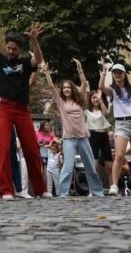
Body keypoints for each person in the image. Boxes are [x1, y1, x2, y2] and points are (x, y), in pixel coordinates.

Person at [0, 10, 50, 200]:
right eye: (9, 48)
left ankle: (41, 189)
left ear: (19, 50)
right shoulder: (0, 59)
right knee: (4, 148)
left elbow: (38, 60)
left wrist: (34, 41)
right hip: (5, 108)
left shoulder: (25, 62)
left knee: (31, 149)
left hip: (22, 109)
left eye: (14, 49)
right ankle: (6, 190)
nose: (11, 51)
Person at [38, 59, 104, 197]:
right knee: (67, 167)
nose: (66, 89)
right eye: (64, 88)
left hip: (83, 137)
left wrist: (79, 69)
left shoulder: (80, 100)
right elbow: (51, 87)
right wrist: (46, 72)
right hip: (69, 139)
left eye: (68, 87)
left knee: (90, 166)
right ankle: (63, 193)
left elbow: (84, 83)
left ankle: (97, 192)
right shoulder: (60, 102)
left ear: (72, 89)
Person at [99, 55, 131, 197]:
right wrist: (104, 71)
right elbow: (101, 87)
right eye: (115, 72)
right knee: (120, 155)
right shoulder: (112, 90)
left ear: (124, 74)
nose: (117, 75)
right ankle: (114, 185)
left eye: (120, 72)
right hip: (121, 124)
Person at [85, 90, 113, 188]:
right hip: (93, 136)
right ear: (90, 99)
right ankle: (93, 188)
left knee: (109, 165)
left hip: (104, 136)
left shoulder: (102, 109)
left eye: (97, 97)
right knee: (94, 165)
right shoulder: (87, 111)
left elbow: (106, 113)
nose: (95, 99)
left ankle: (112, 186)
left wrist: (101, 100)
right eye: (93, 98)